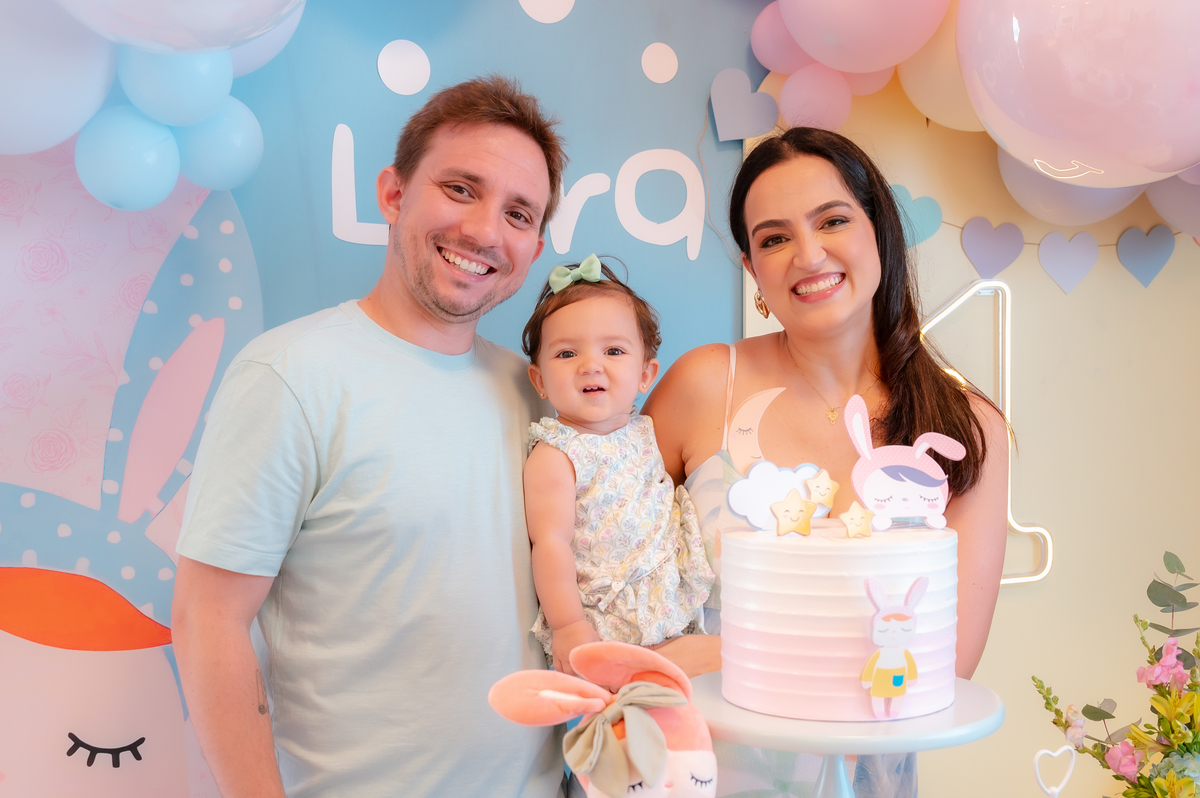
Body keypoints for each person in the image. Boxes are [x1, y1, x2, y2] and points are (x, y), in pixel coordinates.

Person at [171, 76, 568, 798]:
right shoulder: (290, 376)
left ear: (534, 246)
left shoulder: (537, 394)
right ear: (393, 193)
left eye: (517, 213)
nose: (485, 232)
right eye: (460, 189)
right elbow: (209, 621)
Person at [643, 127, 1009, 797]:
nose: (808, 255)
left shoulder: (964, 427)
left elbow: (940, 666)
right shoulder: (703, 385)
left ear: (878, 232)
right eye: (774, 239)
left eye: (833, 221)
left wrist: (718, 654)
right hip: (692, 775)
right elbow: (608, 556)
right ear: (752, 269)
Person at [519, 255, 714, 676]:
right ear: (540, 381)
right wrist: (568, 625)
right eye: (567, 353)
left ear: (645, 375)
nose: (591, 365)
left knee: (689, 688)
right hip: (604, 619)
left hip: (666, 605)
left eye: (613, 350)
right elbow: (550, 543)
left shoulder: (644, 431)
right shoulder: (555, 454)